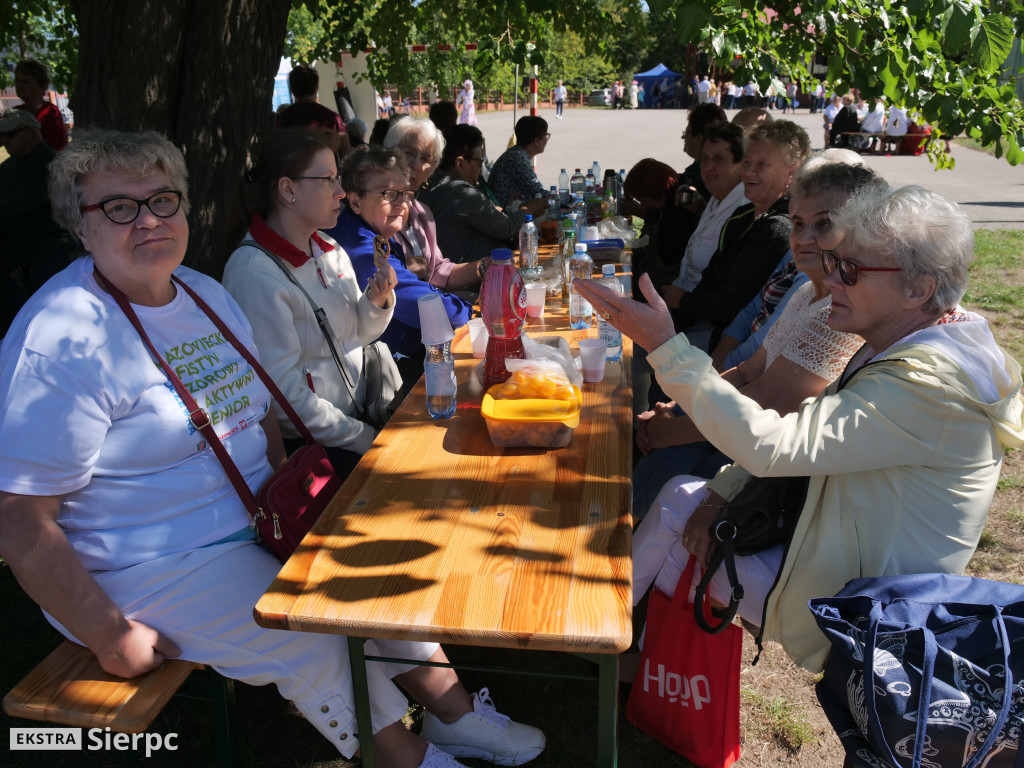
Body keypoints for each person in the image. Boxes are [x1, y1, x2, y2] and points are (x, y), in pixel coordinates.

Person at [0, 129, 546, 768]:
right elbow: (19, 518)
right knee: (308, 634)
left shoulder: (204, 292)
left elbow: (259, 416)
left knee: (372, 573)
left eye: (163, 200)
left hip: (255, 516)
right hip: (147, 565)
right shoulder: (60, 337)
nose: (149, 220)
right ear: (79, 224)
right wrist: (109, 636)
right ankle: (408, 756)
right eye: (119, 207)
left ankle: (453, 714)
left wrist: (303, 510)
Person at [577, 184, 1024, 674]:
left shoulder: (927, 386)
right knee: (685, 501)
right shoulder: (914, 342)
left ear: (918, 289)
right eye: (834, 264)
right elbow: (800, 431)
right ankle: (637, 655)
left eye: (849, 270)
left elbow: (776, 444)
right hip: (828, 551)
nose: (831, 280)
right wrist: (721, 492)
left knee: (681, 533)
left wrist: (667, 347)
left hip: (866, 607)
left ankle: (634, 659)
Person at [633, 159, 885, 517]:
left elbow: (769, 400)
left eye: (824, 224)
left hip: (773, 466)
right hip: (744, 433)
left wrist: (669, 431)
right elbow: (750, 371)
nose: (804, 237)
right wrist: (678, 408)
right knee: (647, 472)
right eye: (798, 223)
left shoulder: (842, 310)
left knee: (659, 481)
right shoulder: (805, 294)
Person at [222, 129, 393, 479]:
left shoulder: (327, 249)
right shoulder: (254, 274)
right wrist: (366, 439)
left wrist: (376, 301)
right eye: (327, 179)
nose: (341, 192)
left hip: (358, 421)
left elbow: (355, 336)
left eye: (338, 178)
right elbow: (284, 401)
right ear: (288, 190)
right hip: (316, 452)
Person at [327, 146, 473, 386]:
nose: (401, 204)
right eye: (388, 194)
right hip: (372, 382)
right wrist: (468, 310)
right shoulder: (359, 245)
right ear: (355, 201)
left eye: (405, 194)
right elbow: (433, 312)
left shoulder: (372, 233)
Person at [664, 120, 811, 352]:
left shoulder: (776, 230)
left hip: (725, 340)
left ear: (791, 174)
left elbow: (729, 306)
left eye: (762, 165)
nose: (749, 172)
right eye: (747, 162)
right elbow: (711, 279)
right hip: (699, 319)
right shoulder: (743, 215)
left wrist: (681, 301)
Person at [382, 118, 486, 295]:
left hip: (429, 308)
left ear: (431, 170)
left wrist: (486, 265)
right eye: (409, 153)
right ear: (390, 155)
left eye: (425, 158)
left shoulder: (423, 213)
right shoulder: (377, 210)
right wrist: (403, 270)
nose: (415, 165)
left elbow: (438, 271)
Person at [421, 125, 546, 267]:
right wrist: (528, 209)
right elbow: (506, 229)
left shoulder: (435, 186)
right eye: (479, 162)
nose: (481, 169)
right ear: (460, 163)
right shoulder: (462, 193)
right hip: (471, 280)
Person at [0, 109, 79, 335]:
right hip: (16, 242)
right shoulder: (7, 168)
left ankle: (28, 321)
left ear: (33, 133)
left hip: (50, 243)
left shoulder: (53, 165)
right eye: (2, 137)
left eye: (11, 135)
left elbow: (22, 205)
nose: (5, 141)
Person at [661, 122, 747, 303]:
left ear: (742, 165)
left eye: (719, 159)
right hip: (681, 296)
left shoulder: (744, 210)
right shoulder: (717, 197)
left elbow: (726, 298)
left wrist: (681, 300)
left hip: (699, 319)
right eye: (705, 158)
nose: (708, 167)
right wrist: (700, 207)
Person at [277, 65, 352, 158]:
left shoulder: (281, 119)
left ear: (292, 88)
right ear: (316, 87)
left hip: (291, 171)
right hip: (326, 170)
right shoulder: (333, 118)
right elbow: (346, 155)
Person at [488, 116, 549, 206]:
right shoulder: (517, 158)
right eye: (546, 136)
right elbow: (538, 193)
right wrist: (566, 197)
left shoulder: (516, 154)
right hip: (505, 215)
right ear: (536, 140)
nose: (547, 139)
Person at [13, 58, 67, 151]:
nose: (19, 85)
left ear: (42, 87)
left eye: (26, 82)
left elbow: (48, 149)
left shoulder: (50, 112)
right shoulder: (15, 112)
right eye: (18, 80)